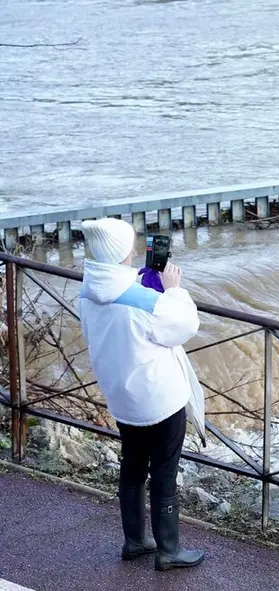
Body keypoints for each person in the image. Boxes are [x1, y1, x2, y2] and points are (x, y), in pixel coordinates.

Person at [78, 218, 207, 571]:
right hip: (161, 400)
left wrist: (144, 284)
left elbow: (108, 319)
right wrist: (173, 290)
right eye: (131, 245)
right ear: (122, 251)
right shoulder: (146, 302)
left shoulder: (88, 294)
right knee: (164, 472)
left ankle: (135, 541)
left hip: (122, 399)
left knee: (133, 466)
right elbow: (185, 325)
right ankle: (170, 550)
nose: (135, 250)